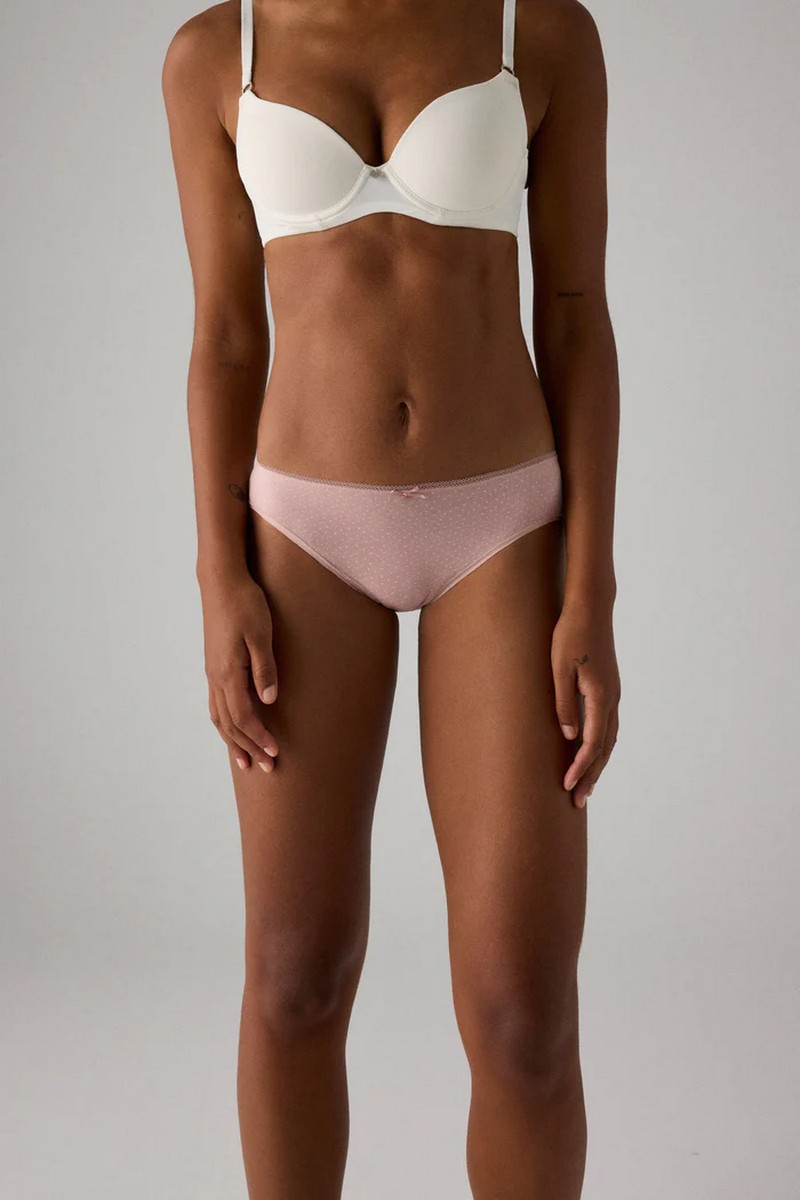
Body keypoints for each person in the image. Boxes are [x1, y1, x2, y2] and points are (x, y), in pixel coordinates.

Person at [162, 0, 621, 1195]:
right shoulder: (218, 54)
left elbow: (575, 318)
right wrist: (219, 576)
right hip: (301, 535)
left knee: (524, 1015)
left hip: (503, 527)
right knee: (296, 975)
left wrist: (590, 591)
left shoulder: (537, 31)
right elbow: (224, 338)